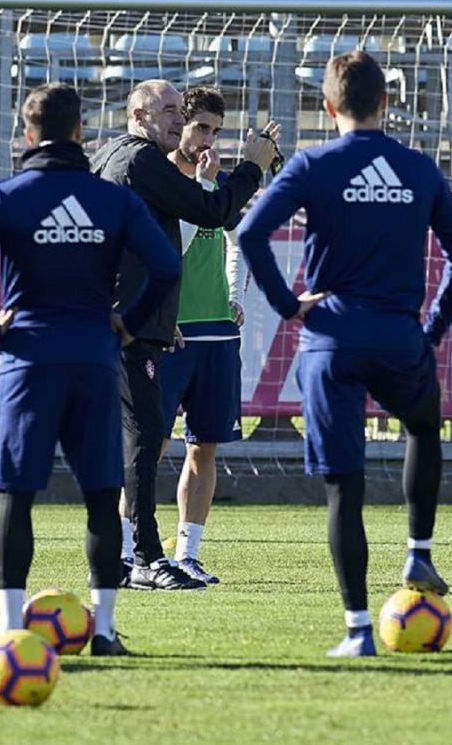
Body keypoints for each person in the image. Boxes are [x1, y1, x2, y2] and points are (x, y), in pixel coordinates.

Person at [237, 51, 452, 657]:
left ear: (327, 106)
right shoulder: (418, 169)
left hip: (332, 338)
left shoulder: (315, 164)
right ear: (385, 103)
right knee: (424, 425)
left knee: (345, 487)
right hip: (399, 336)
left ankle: (357, 631)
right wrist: (432, 328)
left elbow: (249, 234)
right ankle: (419, 553)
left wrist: (288, 305)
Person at [0, 83, 180, 655]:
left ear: (28, 135)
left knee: (17, 496)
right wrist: (126, 322)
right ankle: (103, 631)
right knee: (102, 495)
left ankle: (7, 628)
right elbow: (167, 266)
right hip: (96, 357)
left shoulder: (5, 196)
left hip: (28, 360)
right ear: (80, 132)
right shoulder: (111, 200)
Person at [91, 79, 279, 590]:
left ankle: (143, 556)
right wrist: (252, 166)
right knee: (143, 441)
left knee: (157, 438)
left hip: (148, 324)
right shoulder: (141, 162)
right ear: (137, 113)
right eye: (169, 111)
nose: (177, 121)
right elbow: (211, 212)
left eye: (181, 111)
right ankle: (138, 557)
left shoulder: (115, 158)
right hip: (131, 326)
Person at [159, 86, 254, 585]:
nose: (207, 139)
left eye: (216, 131)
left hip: (217, 333)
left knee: (205, 447)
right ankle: (133, 548)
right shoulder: (161, 180)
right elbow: (166, 253)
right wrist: (202, 184)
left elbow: (238, 242)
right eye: (200, 127)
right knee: (146, 446)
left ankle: (188, 552)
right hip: (168, 333)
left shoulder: (215, 183)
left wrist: (235, 294)